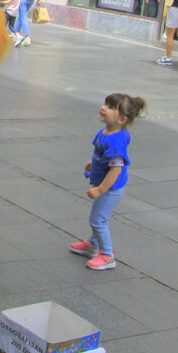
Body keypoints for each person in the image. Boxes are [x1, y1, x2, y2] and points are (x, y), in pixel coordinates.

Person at [69, 93, 147, 271]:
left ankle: (106, 255)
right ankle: (92, 246)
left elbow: (116, 169)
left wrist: (100, 189)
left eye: (111, 107)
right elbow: (104, 157)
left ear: (121, 119)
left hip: (110, 188)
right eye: (105, 104)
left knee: (98, 220)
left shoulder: (116, 142)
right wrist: (94, 164)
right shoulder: (108, 132)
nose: (103, 108)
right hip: (105, 184)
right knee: (99, 216)